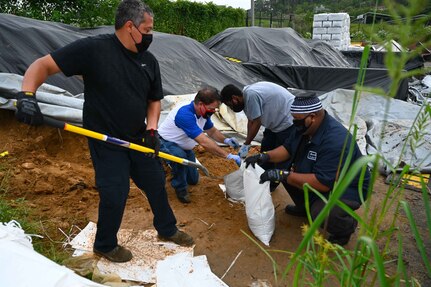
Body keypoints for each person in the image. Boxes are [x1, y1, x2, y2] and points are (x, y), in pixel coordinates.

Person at [15, 0, 193, 263]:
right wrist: (27, 95)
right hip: (105, 140)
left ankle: (167, 230)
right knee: (115, 191)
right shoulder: (94, 49)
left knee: (155, 182)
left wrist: (152, 129)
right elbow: (43, 65)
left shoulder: (148, 61)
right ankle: (105, 245)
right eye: (148, 30)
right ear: (130, 26)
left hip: (137, 138)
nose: (150, 36)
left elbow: (154, 99)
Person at [244, 95, 370, 246]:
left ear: (313, 117)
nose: (293, 122)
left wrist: (284, 175)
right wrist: (264, 156)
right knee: (284, 170)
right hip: (320, 175)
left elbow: (323, 183)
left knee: (323, 212)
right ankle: (305, 208)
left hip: (348, 187)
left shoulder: (335, 140)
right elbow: (287, 149)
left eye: (297, 118)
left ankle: (345, 229)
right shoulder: (304, 127)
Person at [158, 86, 241, 204]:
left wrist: (226, 140)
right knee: (180, 159)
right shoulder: (185, 114)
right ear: (200, 104)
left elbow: (212, 131)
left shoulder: (204, 113)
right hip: (166, 142)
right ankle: (180, 188)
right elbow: (203, 142)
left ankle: (179, 172)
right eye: (211, 108)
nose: (213, 111)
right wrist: (227, 155)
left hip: (184, 146)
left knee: (193, 180)